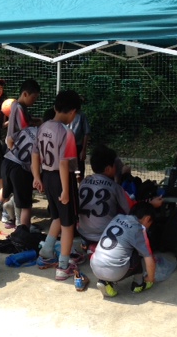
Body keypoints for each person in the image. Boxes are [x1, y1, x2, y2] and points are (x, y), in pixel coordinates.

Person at [31, 89, 82, 281]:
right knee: (68, 224)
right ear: (73, 112)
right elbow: (63, 163)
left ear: (55, 107)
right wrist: (66, 191)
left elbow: (35, 154)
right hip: (62, 179)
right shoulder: (67, 133)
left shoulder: (43, 127)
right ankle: (63, 266)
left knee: (57, 218)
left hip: (47, 176)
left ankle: (46, 253)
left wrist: (37, 176)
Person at [0, 79, 42, 221]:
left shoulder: (20, 107)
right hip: (17, 155)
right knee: (22, 196)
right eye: (34, 97)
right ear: (25, 94)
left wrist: (35, 120)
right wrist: (35, 125)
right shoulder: (18, 107)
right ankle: (19, 223)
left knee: (13, 190)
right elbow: (25, 128)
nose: (34, 101)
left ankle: (9, 216)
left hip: (12, 155)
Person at [91, 202, 157, 298]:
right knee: (140, 252)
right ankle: (138, 284)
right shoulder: (138, 229)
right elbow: (148, 258)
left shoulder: (118, 217)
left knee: (119, 250)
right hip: (115, 271)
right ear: (147, 219)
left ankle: (104, 281)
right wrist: (150, 278)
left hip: (95, 265)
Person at [77, 144, 133, 252]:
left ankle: (89, 245)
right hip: (106, 234)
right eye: (115, 165)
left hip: (83, 232)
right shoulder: (115, 187)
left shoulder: (83, 182)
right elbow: (130, 210)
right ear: (108, 169)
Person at [66, 101, 91, 183]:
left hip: (78, 146)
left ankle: (81, 187)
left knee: (79, 171)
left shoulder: (81, 115)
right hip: (67, 146)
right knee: (69, 170)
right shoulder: (65, 113)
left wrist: (83, 150)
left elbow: (86, 133)